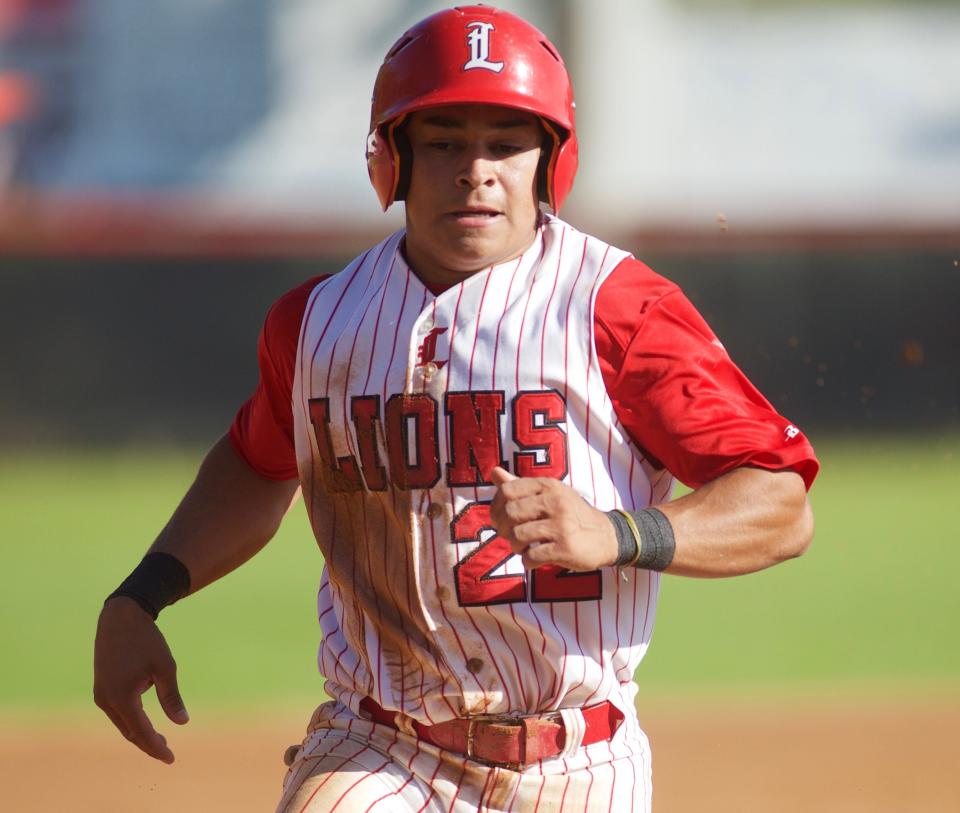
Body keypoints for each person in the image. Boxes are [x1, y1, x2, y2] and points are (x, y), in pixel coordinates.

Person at [94, 6, 818, 811]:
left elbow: (780, 503)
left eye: (507, 142)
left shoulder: (615, 306)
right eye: (443, 142)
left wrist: (618, 534)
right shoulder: (316, 322)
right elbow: (258, 464)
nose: (477, 169)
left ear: (548, 161)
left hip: (578, 756)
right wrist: (140, 595)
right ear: (391, 159)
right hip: (379, 744)